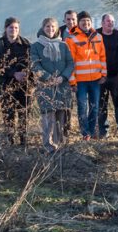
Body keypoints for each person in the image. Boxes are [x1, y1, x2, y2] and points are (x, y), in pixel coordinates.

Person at [30, 17, 74, 152]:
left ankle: (59, 143)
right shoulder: (36, 46)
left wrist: (63, 77)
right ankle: (48, 145)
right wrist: (49, 78)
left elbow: (70, 63)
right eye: (47, 27)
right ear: (43, 28)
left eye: (53, 27)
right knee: (48, 115)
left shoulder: (63, 45)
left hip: (62, 85)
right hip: (45, 86)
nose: (50, 29)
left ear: (57, 29)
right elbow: (35, 65)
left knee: (61, 115)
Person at [66, 11, 107, 141]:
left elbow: (102, 57)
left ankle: (92, 131)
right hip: (80, 81)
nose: (86, 23)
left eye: (88, 21)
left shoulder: (98, 37)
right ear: (78, 23)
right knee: (82, 107)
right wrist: (72, 82)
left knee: (94, 107)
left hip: (96, 79)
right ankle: (85, 133)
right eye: (83, 21)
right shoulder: (71, 38)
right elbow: (70, 62)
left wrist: (104, 74)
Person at [0, 17, 32, 145]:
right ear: (6, 28)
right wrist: (14, 73)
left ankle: (23, 139)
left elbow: (32, 62)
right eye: (11, 27)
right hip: (5, 84)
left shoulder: (25, 44)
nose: (13, 30)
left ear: (18, 29)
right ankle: (10, 140)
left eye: (16, 28)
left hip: (23, 84)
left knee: (23, 111)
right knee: (8, 112)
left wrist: (25, 74)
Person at [97, 13, 118, 138]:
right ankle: (103, 131)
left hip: (116, 76)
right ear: (102, 23)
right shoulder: (96, 36)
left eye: (112, 21)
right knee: (101, 104)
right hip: (100, 76)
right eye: (108, 21)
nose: (110, 23)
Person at [59, 9, 78, 137]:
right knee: (65, 102)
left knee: (82, 103)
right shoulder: (58, 31)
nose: (71, 21)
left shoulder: (82, 32)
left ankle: (84, 131)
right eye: (68, 19)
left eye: (73, 19)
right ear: (64, 20)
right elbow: (42, 33)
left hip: (80, 71)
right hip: (64, 71)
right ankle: (65, 129)